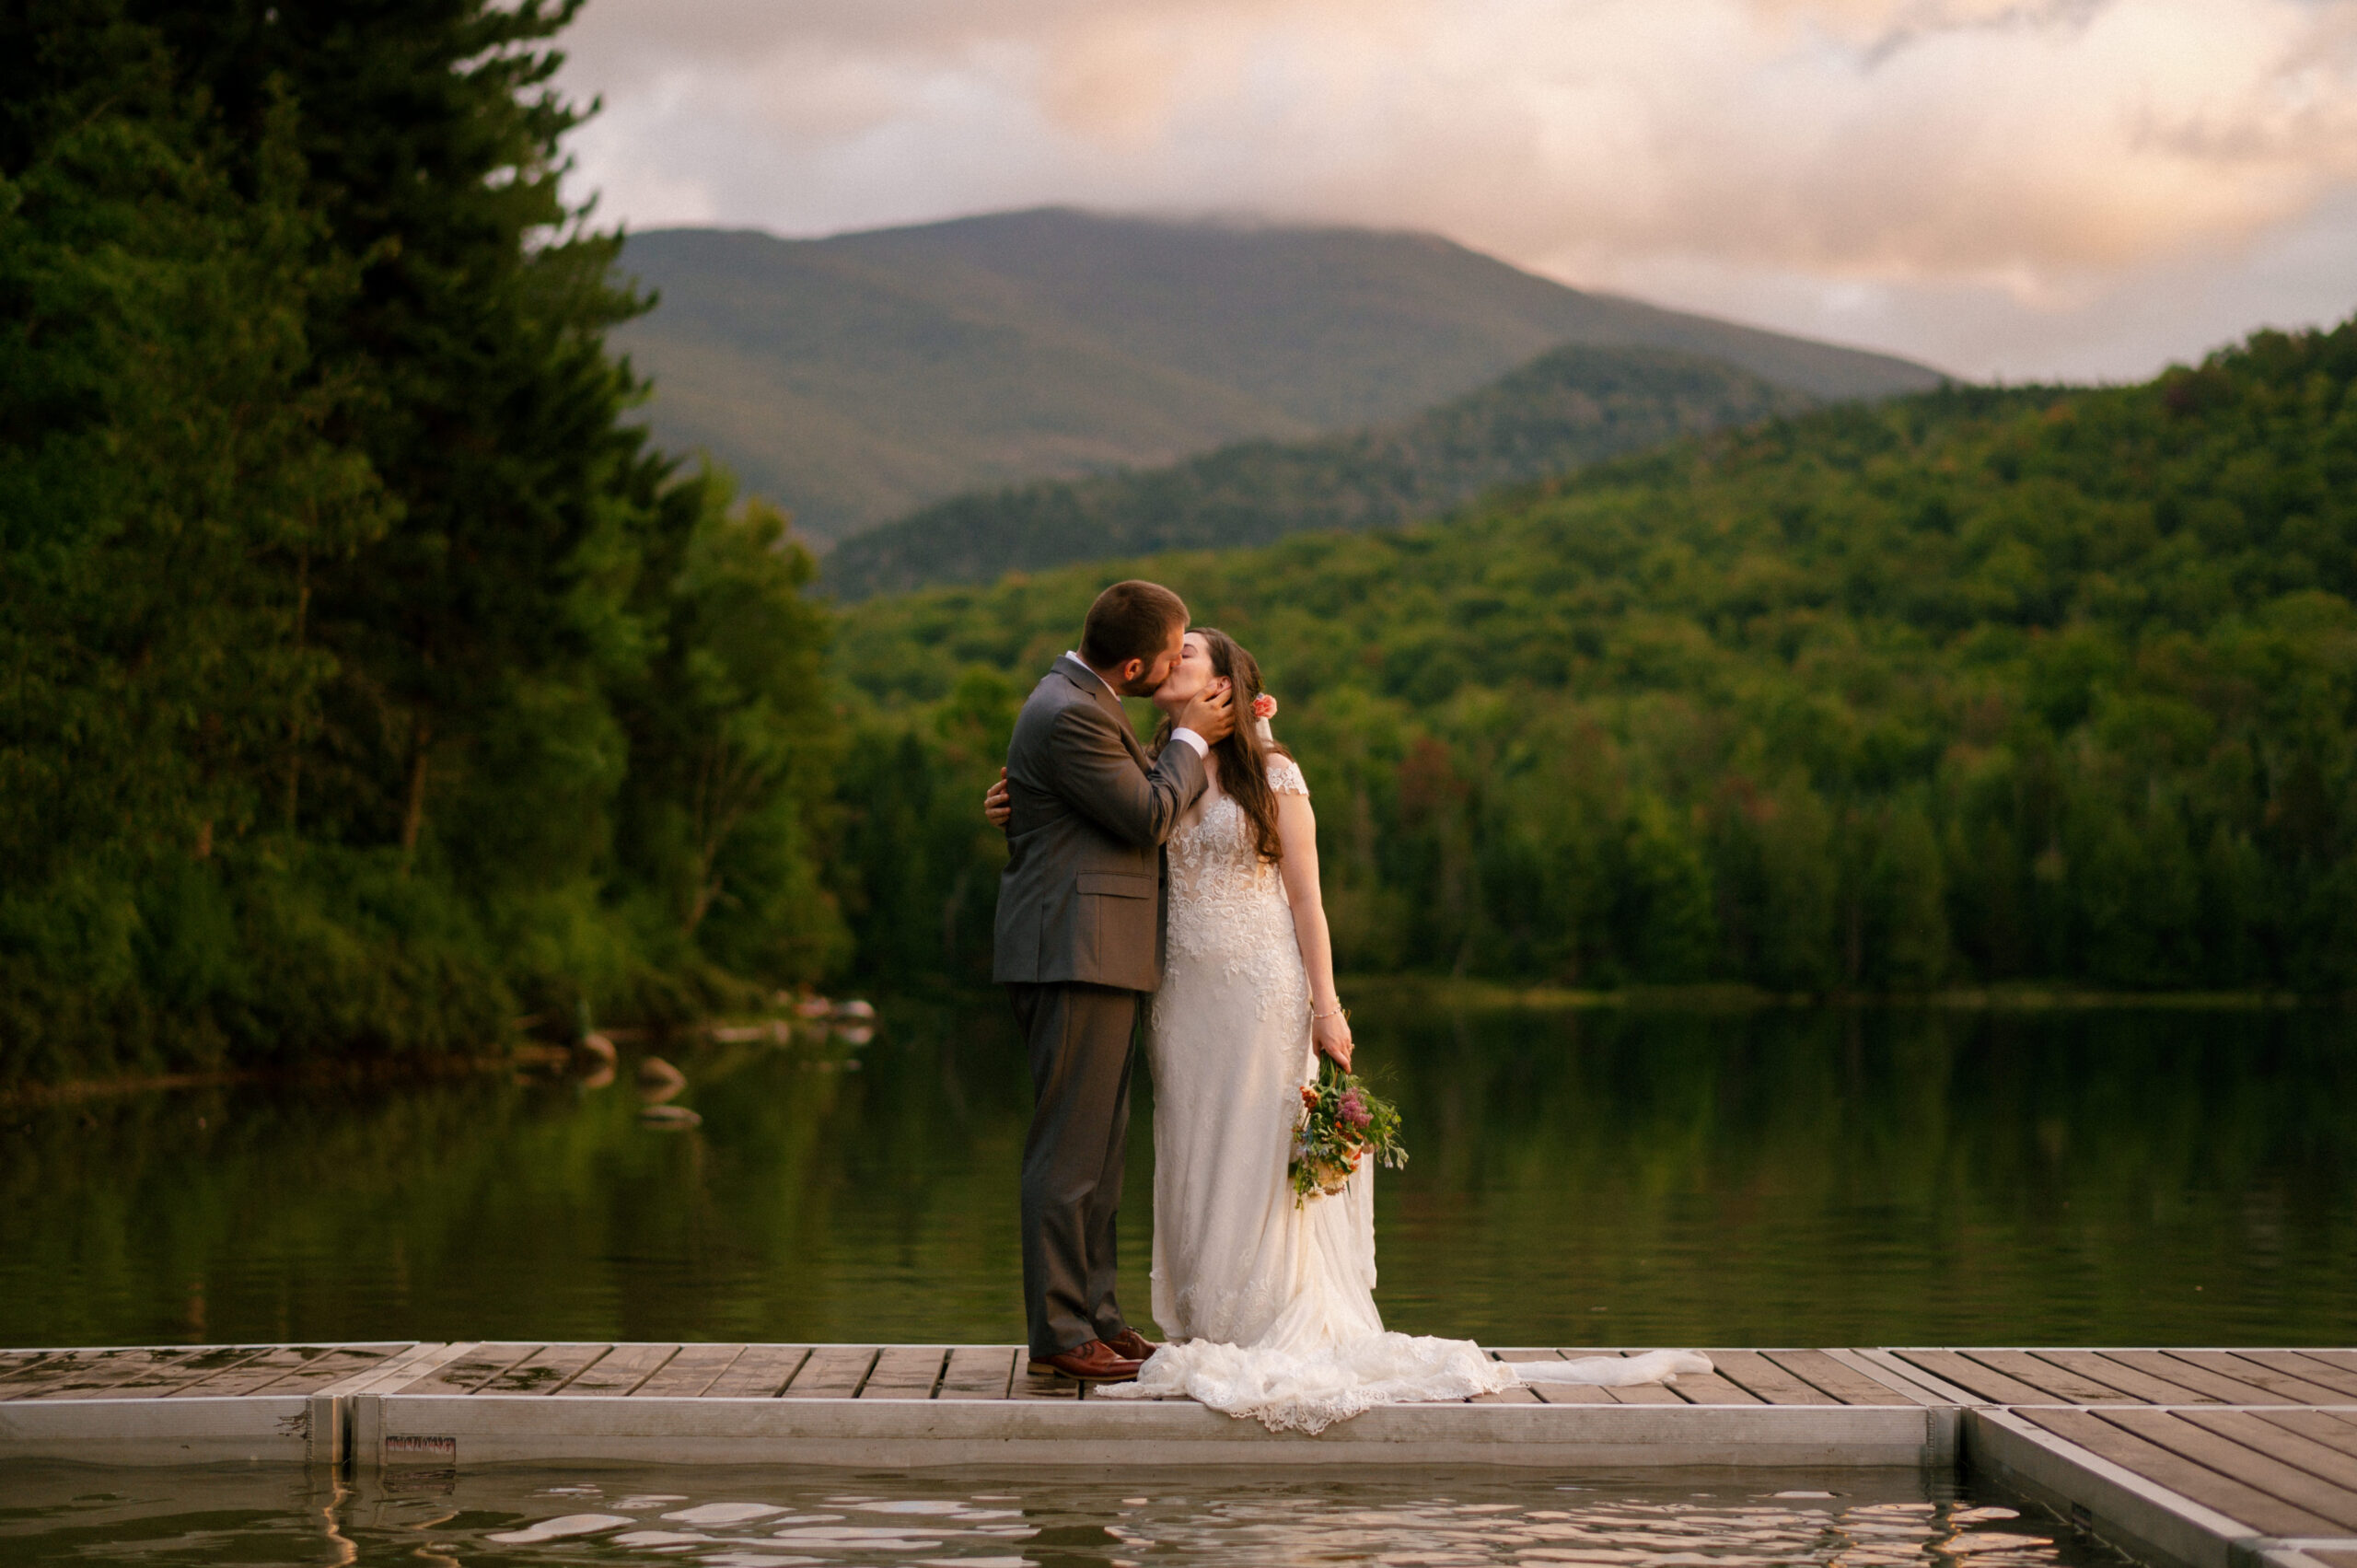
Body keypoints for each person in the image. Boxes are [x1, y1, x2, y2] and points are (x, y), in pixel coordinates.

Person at [986, 619, 1709, 1428]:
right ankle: (1191, 1316)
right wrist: (1020, 796)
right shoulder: (1159, 763)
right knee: (1190, 1141)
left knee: (1257, 1143)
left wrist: (1326, 1005)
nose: (1171, 658)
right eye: (1172, 646)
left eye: (1189, 651)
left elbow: (1306, 899)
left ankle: (1258, 1317)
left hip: (1262, 986)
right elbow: (1113, 815)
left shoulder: (1278, 776)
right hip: (1183, 991)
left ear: (1227, 683)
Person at [993, 580, 1236, 1384]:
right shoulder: (1070, 713)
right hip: (1072, 950)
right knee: (1069, 1151)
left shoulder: (1084, 704)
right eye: (1170, 653)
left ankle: (1097, 1314)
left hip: (1095, 949)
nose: (1176, 664)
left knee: (1097, 1148)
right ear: (1135, 664)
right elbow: (1149, 814)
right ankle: (1061, 1330)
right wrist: (1193, 740)